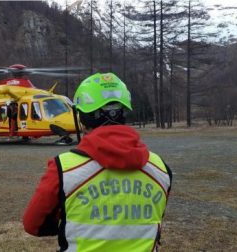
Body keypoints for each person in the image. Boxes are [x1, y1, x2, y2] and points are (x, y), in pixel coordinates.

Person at [23, 73, 172, 252]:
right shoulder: (160, 169)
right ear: (124, 112)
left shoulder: (64, 168)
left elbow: (33, 225)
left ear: (83, 119)